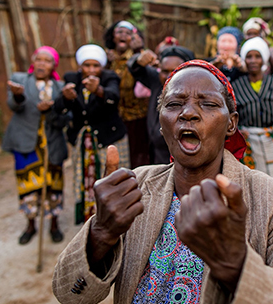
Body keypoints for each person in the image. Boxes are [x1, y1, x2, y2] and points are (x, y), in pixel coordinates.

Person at [52, 60, 273, 304]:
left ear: (231, 124)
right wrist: (102, 232)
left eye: (208, 104)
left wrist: (236, 267)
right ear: (162, 124)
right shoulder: (134, 188)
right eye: (174, 104)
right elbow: (70, 295)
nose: (188, 113)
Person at [54, 44, 130, 225]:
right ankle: (91, 217)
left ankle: (115, 217)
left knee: (113, 175)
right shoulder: (71, 78)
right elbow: (59, 108)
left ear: (102, 66)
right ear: (80, 66)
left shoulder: (110, 77)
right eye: (87, 65)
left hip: (110, 138)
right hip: (84, 143)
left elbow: (113, 98)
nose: (91, 70)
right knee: (85, 177)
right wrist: (64, 97)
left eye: (95, 66)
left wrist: (99, 90)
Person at [2, 46, 68, 245]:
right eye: (38, 59)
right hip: (25, 143)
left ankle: (54, 224)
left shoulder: (59, 87)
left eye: (47, 61)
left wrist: (50, 111)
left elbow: (63, 120)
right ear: (33, 61)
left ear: (53, 65)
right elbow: (14, 106)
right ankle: (30, 225)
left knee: (53, 184)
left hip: (51, 144)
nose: (42, 64)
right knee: (27, 185)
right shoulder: (19, 80)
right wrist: (19, 96)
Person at [231, 37, 273, 181]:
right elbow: (231, 113)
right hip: (248, 143)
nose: (253, 60)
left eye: (257, 56)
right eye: (249, 57)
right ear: (244, 60)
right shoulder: (236, 86)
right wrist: (239, 130)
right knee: (252, 182)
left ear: (264, 59)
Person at [127, 45, 196, 164]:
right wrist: (138, 59)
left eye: (175, 71)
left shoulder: (196, 93)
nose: (169, 76)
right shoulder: (156, 81)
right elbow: (135, 68)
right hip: (156, 154)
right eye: (164, 71)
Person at [104, 20, 150, 168]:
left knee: (138, 157)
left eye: (128, 33)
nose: (123, 35)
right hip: (114, 116)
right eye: (119, 32)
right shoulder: (106, 58)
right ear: (113, 36)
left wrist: (138, 53)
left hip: (137, 116)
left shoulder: (139, 57)